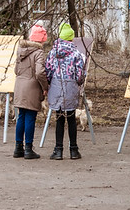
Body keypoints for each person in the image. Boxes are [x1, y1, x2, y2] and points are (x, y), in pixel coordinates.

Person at [45, 22, 86, 160]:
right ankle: (74, 150)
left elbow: (48, 72)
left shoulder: (52, 53)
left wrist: (51, 84)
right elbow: (80, 75)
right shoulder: (76, 54)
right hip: (71, 87)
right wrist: (78, 83)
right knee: (71, 118)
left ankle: (58, 150)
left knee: (59, 118)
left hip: (56, 86)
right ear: (71, 38)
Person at [13, 24, 49, 159]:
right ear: (41, 39)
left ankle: (18, 148)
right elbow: (40, 72)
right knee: (30, 117)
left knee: (21, 116)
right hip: (32, 87)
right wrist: (45, 86)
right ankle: (28, 148)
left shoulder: (21, 50)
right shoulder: (38, 52)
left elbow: (16, 70)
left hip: (19, 86)